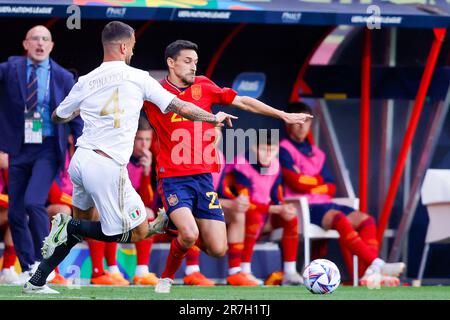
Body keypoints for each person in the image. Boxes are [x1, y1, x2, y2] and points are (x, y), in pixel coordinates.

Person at [24, 21, 237, 294]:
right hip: (107, 165)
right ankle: (69, 225)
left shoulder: (86, 80)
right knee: (135, 232)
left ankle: (37, 280)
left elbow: (59, 116)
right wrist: (213, 117)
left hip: (80, 161)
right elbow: (181, 107)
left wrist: (80, 112)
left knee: (82, 229)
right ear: (124, 47)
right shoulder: (138, 77)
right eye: (133, 46)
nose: (133, 51)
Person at [143, 39, 312, 293]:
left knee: (217, 248)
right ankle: (166, 278)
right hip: (173, 177)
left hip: (203, 179)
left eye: (195, 62)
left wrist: (283, 115)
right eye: (187, 61)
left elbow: (243, 101)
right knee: (188, 234)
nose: (193, 67)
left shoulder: (203, 86)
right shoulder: (154, 93)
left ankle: (168, 224)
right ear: (171, 62)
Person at [279, 102, 405, 286]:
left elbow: (330, 186)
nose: (302, 125)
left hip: (325, 203)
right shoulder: (283, 148)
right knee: (338, 218)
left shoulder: (317, 153)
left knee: (366, 220)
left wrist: (309, 181)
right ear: (289, 122)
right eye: (298, 120)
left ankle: (368, 273)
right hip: (305, 207)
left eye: (306, 121)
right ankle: (377, 264)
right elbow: (295, 182)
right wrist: (316, 182)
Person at [0, 25, 83, 284]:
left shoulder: (62, 77)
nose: (40, 43)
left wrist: (81, 147)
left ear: (51, 46)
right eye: (35, 38)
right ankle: (28, 268)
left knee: (34, 202)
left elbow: (75, 114)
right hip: (18, 147)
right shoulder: (9, 69)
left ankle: (43, 263)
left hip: (48, 148)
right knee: (15, 212)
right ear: (26, 44)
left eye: (45, 39)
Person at [228, 133, 303, 286]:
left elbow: (276, 195)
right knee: (253, 215)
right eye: (263, 149)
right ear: (254, 148)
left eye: (273, 149)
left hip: (265, 214)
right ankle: (244, 271)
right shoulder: (241, 164)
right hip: (238, 214)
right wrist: (274, 208)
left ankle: (290, 272)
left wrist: (282, 207)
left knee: (290, 217)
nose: (268, 154)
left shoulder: (275, 165)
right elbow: (246, 202)